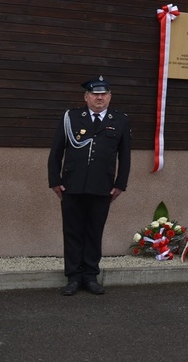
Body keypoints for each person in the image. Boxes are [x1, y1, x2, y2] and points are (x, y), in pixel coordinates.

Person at [48, 75, 131, 296]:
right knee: (73, 232)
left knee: (95, 232)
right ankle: (73, 277)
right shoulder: (71, 118)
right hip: (72, 186)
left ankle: (91, 276)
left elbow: (125, 156)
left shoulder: (120, 120)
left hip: (102, 187)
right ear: (86, 97)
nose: (99, 98)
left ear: (110, 97)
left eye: (104, 94)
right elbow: (56, 151)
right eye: (95, 94)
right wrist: (55, 181)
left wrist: (120, 184)